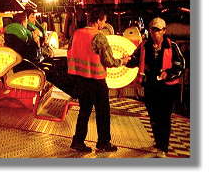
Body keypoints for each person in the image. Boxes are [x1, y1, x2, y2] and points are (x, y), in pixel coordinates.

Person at [67, 10, 130, 153]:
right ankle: (103, 143)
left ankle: (78, 141)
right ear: (99, 20)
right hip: (96, 80)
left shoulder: (76, 34)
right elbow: (109, 61)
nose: (104, 24)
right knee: (103, 112)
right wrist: (123, 61)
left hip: (80, 79)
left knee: (84, 111)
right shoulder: (99, 36)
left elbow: (69, 52)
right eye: (104, 21)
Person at [124, 17, 185, 158]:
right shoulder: (144, 46)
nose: (154, 33)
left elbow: (180, 65)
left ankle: (162, 147)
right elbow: (134, 60)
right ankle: (158, 141)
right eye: (152, 30)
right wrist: (125, 61)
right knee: (153, 116)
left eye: (157, 30)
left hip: (167, 88)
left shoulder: (172, 46)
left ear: (164, 31)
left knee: (164, 117)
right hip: (150, 87)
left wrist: (168, 73)